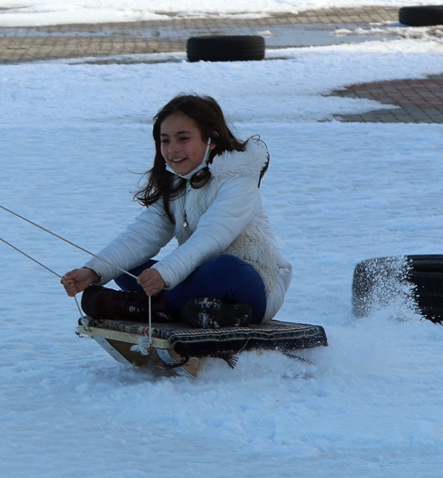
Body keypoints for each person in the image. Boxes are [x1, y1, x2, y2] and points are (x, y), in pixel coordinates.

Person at [61, 95, 291, 329]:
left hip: (255, 287)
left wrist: (164, 273)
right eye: (165, 140)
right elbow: (142, 235)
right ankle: (213, 311)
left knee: (227, 267)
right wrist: (93, 271)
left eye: (183, 138)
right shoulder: (178, 185)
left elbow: (210, 238)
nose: (173, 149)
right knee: (124, 266)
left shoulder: (238, 181)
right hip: (201, 280)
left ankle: (148, 307)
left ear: (211, 140)